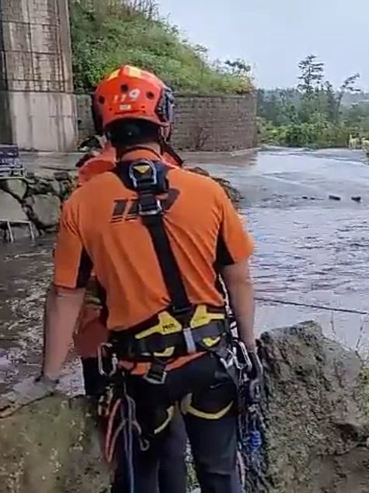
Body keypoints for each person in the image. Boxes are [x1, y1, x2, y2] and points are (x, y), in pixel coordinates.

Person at [1, 65, 258, 492]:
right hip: (212, 362)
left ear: (103, 126)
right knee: (219, 474)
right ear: (165, 121)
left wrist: (47, 379)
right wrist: (247, 344)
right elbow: (240, 280)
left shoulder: (82, 204)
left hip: (144, 374)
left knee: (151, 474)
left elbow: (66, 295)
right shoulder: (206, 192)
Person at [72, 133, 189, 492]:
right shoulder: (173, 175)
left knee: (123, 436)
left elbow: (71, 279)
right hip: (165, 334)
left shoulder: (89, 184)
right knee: (168, 438)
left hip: (103, 335)